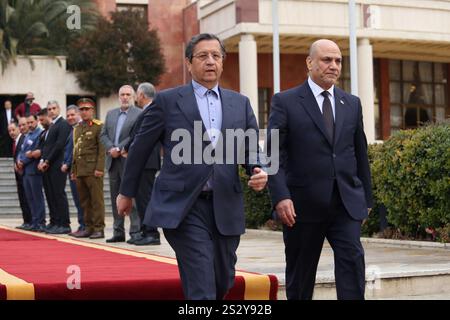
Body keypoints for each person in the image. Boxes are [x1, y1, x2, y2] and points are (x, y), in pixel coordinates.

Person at [116, 33, 268, 300]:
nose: (210, 61)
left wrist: (257, 169)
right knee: (200, 281)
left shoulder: (240, 103)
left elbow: (251, 146)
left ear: (222, 62)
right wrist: (126, 192)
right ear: (189, 63)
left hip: (225, 204)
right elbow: (140, 148)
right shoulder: (167, 101)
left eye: (216, 56)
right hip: (183, 205)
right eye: (202, 56)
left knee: (222, 280)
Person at [267, 39, 373, 300]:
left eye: (338, 61)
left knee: (352, 262)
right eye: (327, 60)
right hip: (301, 206)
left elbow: (360, 153)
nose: (334, 66)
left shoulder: (352, 103)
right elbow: (272, 153)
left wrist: (366, 200)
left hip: (345, 203)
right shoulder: (285, 101)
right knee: (301, 276)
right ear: (310, 62)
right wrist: (280, 196)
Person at [100, 85, 142, 244]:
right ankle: (118, 231)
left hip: (128, 160)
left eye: (128, 94)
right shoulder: (110, 114)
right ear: (118, 96)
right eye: (122, 94)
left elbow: (135, 135)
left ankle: (136, 231)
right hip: (113, 161)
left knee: (132, 196)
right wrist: (111, 148)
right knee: (114, 196)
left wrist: (120, 148)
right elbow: (103, 134)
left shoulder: (139, 114)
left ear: (133, 97)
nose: (125, 97)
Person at [121, 82, 162, 246]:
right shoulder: (148, 111)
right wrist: (126, 147)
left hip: (147, 161)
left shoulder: (152, 111)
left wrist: (126, 147)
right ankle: (146, 231)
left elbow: (142, 136)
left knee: (146, 198)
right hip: (143, 161)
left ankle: (152, 233)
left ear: (143, 95)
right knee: (141, 198)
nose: (136, 97)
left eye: (137, 94)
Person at [69, 98, 106, 239]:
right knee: (84, 201)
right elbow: (76, 150)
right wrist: (74, 170)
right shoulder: (77, 128)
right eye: (82, 109)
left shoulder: (99, 126)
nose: (84, 112)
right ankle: (88, 227)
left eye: (87, 109)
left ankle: (98, 228)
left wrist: (100, 168)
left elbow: (102, 150)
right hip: (80, 170)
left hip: (93, 170)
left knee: (96, 201)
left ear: (92, 110)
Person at [37, 102, 72, 234]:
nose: (51, 111)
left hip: (57, 165)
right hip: (47, 166)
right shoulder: (51, 126)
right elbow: (46, 146)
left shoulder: (63, 124)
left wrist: (47, 160)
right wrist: (42, 160)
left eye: (54, 108)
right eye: (49, 109)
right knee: (50, 195)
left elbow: (59, 145)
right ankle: (55, 221)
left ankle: (64, 223)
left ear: (59, 109)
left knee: (58, 194)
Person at [17, 114, 46, 232]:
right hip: (25, 172)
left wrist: (22, 161)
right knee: (30, 198)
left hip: (34, 170)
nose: (29, 125)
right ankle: (34, 221)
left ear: (37, 121)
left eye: (31, 122)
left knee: (37, 197)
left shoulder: (40, 134)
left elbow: (33, 151)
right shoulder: (27, 134)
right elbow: (22, 150)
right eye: (27, 123)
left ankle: (40, 222)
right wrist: (19, 159)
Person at [63, 105, 85, 233]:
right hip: (72, 170)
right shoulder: (72, 130)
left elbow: (76, 150)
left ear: (78, 114)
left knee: (82, 199)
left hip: (79, 169)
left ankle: (86, 225)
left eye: (72, 114)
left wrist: (67, 163)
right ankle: (82, 225)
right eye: (68, 116)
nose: (70, 117)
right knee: (78, 200)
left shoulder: (81, 128)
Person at [9, 120, 32, 230]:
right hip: (19, 175)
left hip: (25, 173)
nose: (11, 132)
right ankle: (26, 221)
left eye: (13, 130)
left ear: (18, 129)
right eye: (9, 131)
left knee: (27, 198)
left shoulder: (23, 139)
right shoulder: (15, 142)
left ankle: (31, 221)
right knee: (22, 198)